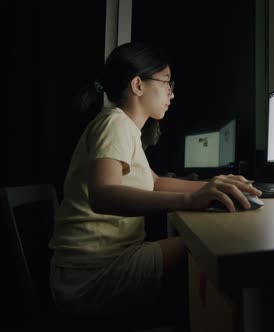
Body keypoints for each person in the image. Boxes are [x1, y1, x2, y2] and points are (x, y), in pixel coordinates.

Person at [48, 42, 261, 329]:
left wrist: (213, 185)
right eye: (166, 82)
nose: (172, 92)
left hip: (90, 268)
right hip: (91, 276)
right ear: (138, 85)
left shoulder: (125, 128)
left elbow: (155, 182)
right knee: (205, 251)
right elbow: (103, 195)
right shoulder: (115, 123)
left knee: (203, 249)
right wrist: (190, 200)